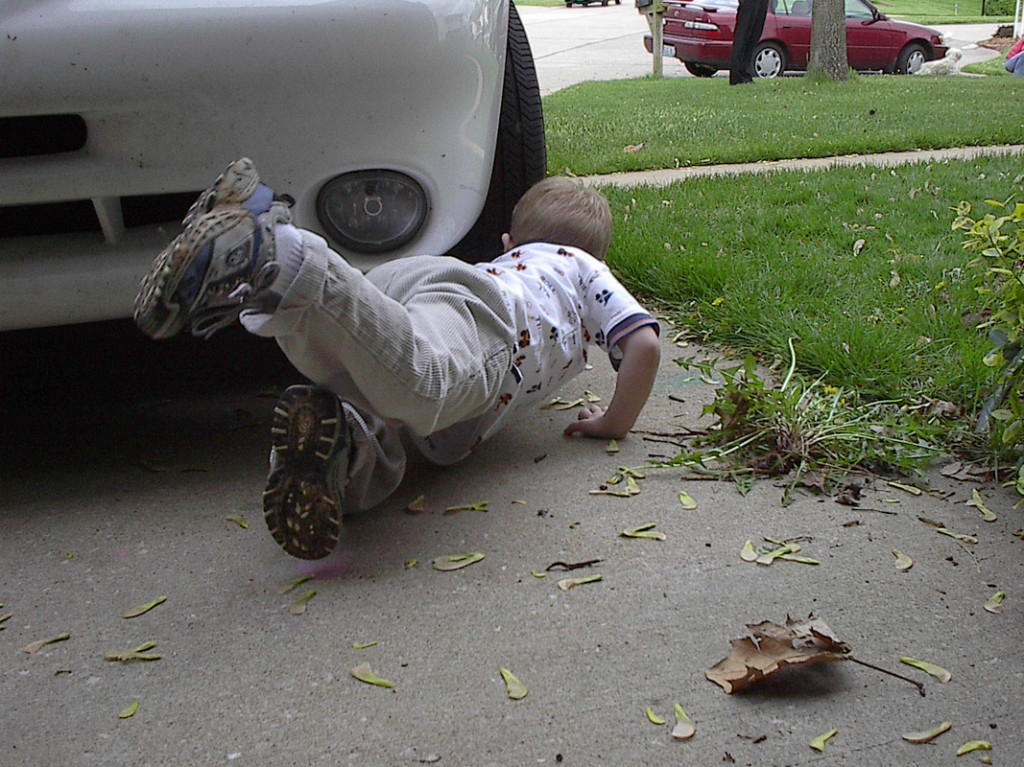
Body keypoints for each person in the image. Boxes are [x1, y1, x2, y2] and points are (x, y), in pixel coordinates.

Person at [135, 160, 661, 560]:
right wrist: (615, 423)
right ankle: (281, 253)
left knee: (359, 376)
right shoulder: (583, 267)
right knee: (426, 382)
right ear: (600, 257)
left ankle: (337, 446)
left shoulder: (511, 258)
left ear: (510, 242)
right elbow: (643, 343)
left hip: (410, 288)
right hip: (491, 320)